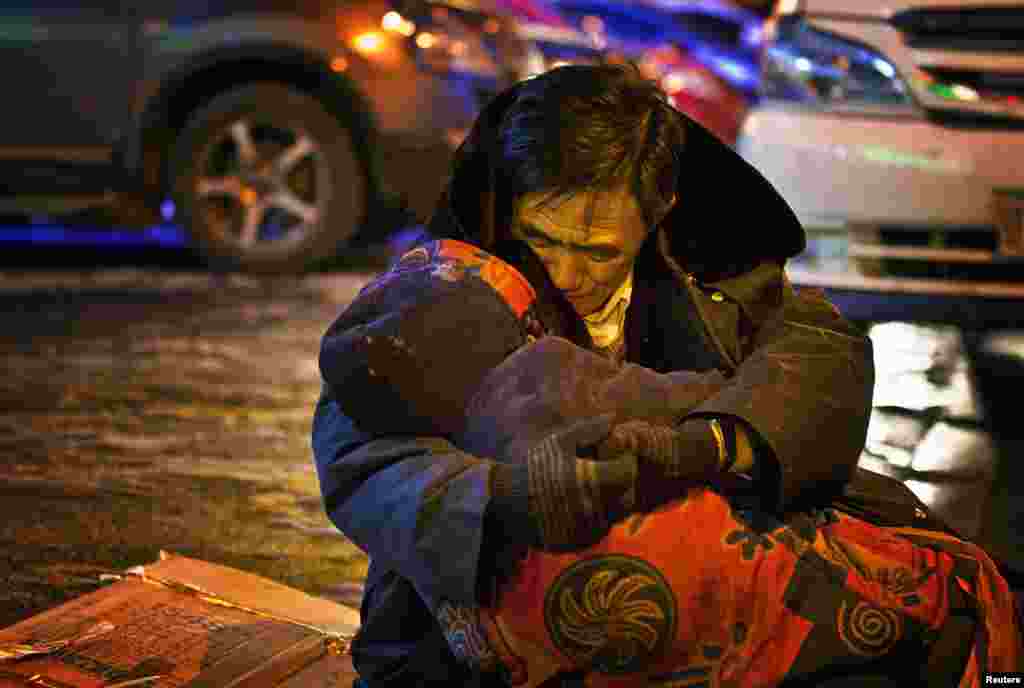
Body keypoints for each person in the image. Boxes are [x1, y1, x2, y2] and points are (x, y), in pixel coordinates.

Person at [313, 64, 879, 686]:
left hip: (694, 631)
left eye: (600, 251)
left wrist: (710, 443)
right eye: (542, 239)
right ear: (510, 199)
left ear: (661, 210)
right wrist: (506, 501)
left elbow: (826, 353)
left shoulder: (717, 270)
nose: (564, 275)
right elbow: (357, 453)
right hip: (465, 652)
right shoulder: (445, 286)